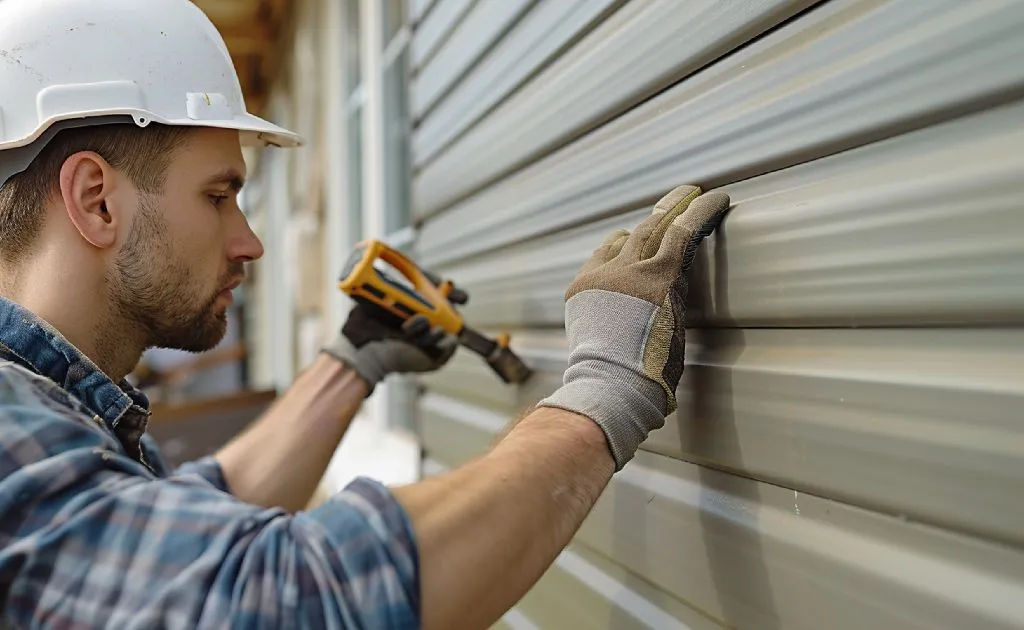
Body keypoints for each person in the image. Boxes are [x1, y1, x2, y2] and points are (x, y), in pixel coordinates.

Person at [0, 0, 730, 628]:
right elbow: (276, 603)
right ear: (95, 199)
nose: (248, 240)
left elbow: (172, 535)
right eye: (218, 196)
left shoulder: (51, 413)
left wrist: (355, 362)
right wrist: (603, 390)